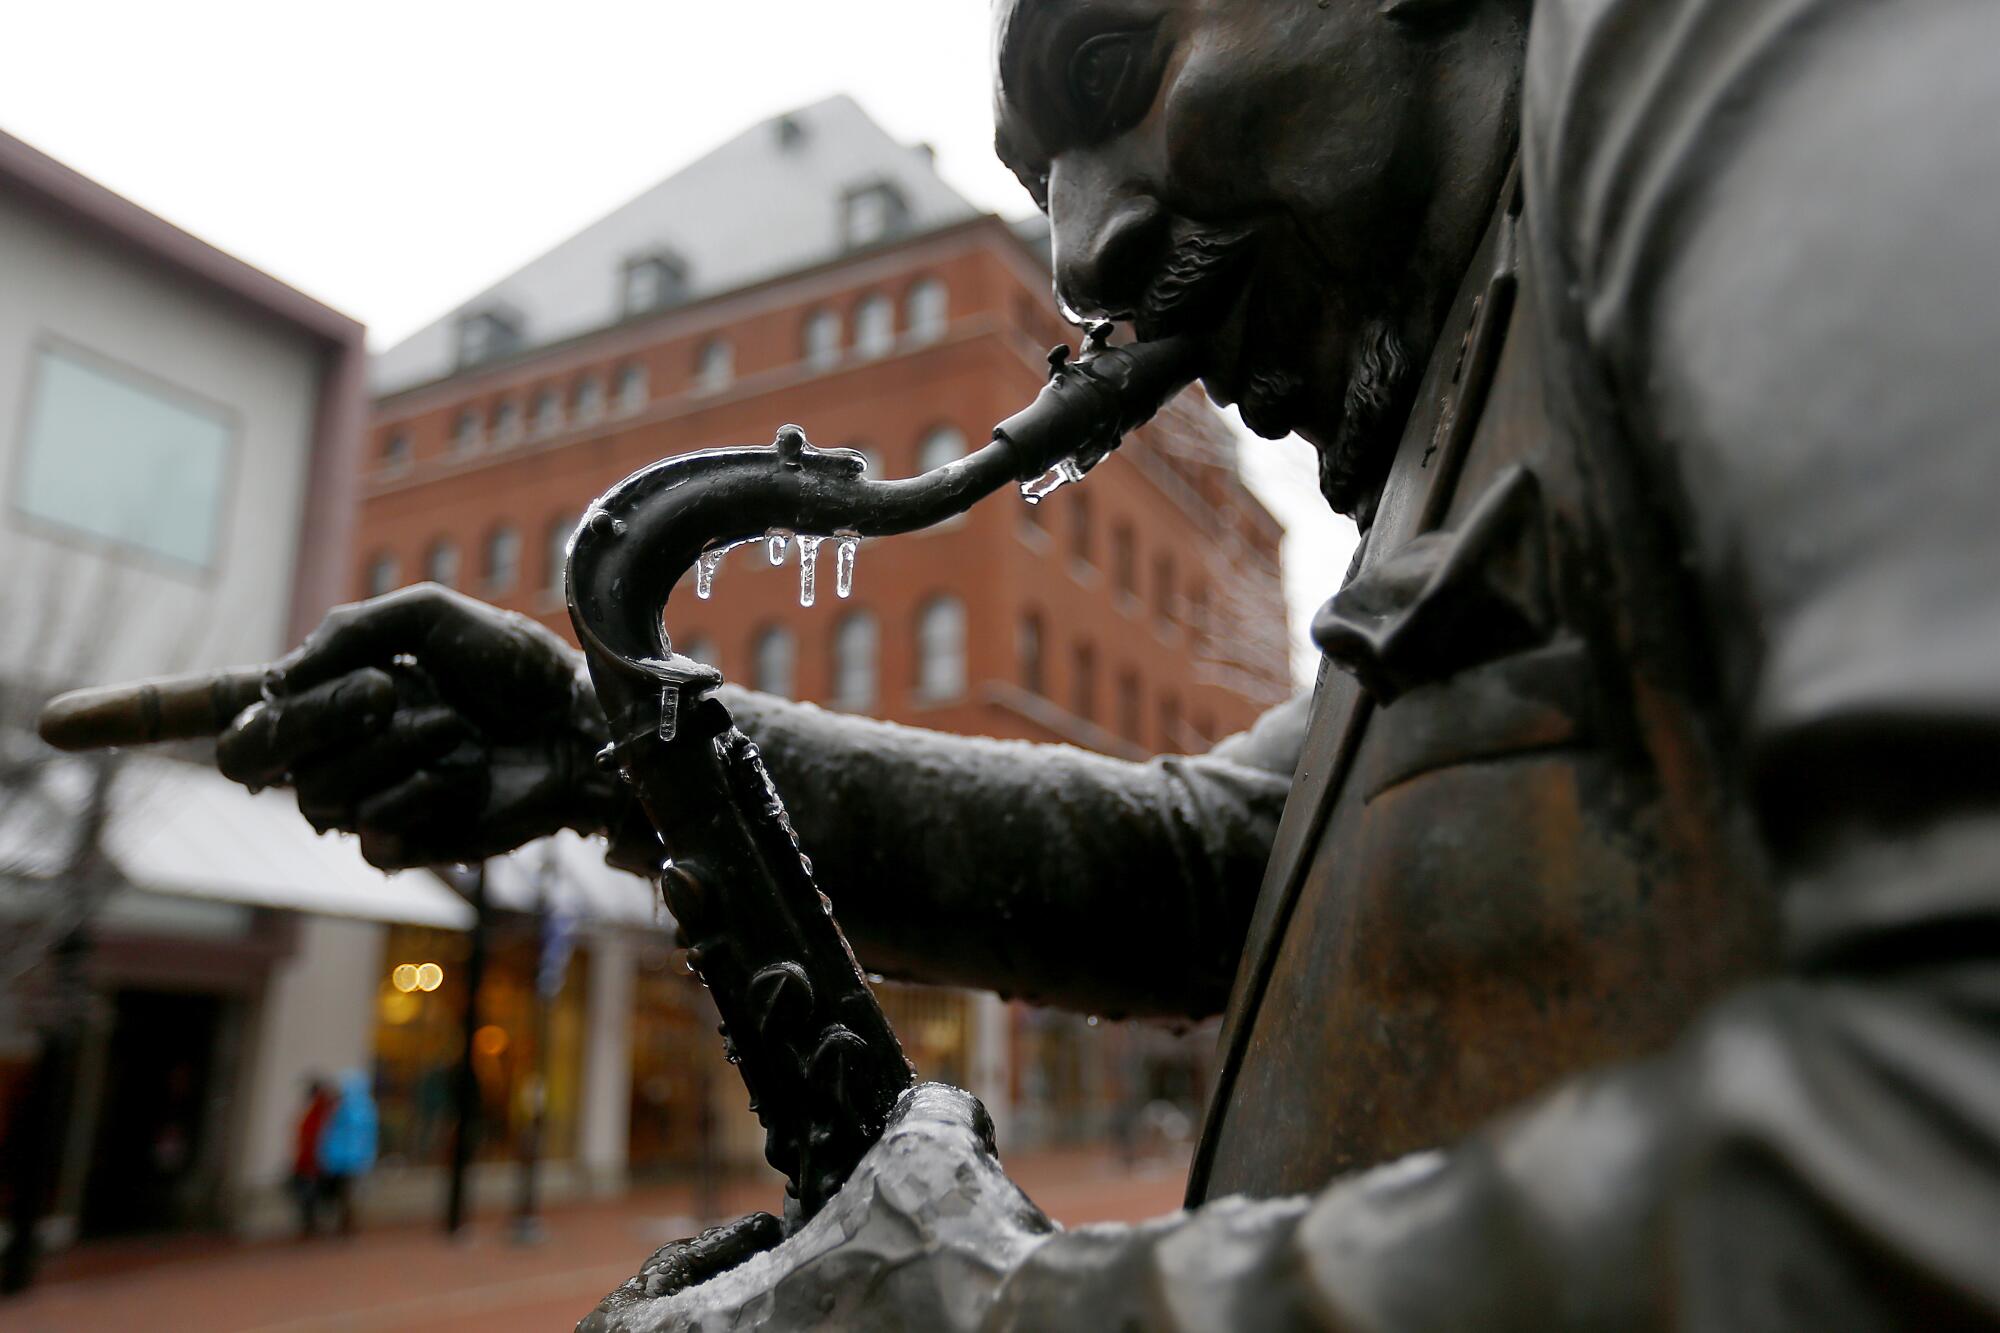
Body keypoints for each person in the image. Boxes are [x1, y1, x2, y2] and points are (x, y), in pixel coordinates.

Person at [206, 0, 2000, 1325]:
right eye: (1041, 181)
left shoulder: (1698, 50)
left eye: (1108, 69)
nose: (1082, 252)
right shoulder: (1467, 360)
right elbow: (1212, 859)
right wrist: (616, 739)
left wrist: (1005, 1310)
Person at [314, 1070, 376, 1239]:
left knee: (345, 1195)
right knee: (345, 1195)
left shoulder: (346, 1108)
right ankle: (344, 1227)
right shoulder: (363, 1107)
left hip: (345, 1159)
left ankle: (344, 1228)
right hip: (347, 1159)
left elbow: (334, 1133)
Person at [289, 1075, 334, 1237]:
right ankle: (310, 1225)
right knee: (309, 1195)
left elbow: (312, 1137)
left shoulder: (319, 1111)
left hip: (313, 1161)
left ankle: (310, 1225)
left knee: (310, 1195)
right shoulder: (318, 1111)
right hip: (312, 1161)